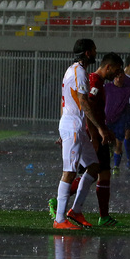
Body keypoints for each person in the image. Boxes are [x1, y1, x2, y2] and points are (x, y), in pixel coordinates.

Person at [53, 39, 113, 231]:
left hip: (74, 126)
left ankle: (76, 211)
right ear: (87, 53)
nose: (96, 52)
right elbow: (83, 102)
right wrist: (100, 128)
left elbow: (68, 101)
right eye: (94, 50)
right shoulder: (79, 71)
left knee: (94, 166)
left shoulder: (72, 70)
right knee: (69, 172)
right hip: (73, 126)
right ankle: (60, 219)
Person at [84, 52, 124, 226]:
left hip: (100, 134)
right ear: (108, 66)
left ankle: (104, 216)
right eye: (116, 70)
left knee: (103, 174)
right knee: (92, 174)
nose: (117, 74)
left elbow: (97, 112)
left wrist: (106, 130)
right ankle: (60, 201)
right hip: (93, 135)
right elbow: (88, 110)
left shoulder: (99, 83)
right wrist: (94, 134)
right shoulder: (93, 81)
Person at [104, 72, 130, 174]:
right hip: (107, 119)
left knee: (118, 143)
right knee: (105, 141)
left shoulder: (128, 91)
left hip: (120, 120)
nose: (118, 79)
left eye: (120, 77)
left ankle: (116, 166)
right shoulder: (106, 87)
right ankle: (106, 160)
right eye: (116, 76)